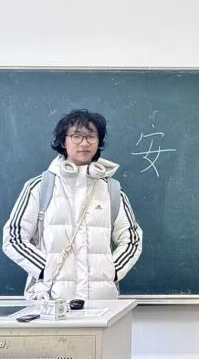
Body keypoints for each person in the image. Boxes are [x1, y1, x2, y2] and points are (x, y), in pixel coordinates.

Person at [2, 109, 142, 300]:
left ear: (99, 142)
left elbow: (132, 239)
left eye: (91, 136)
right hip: (51, 301)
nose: (84, 143)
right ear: (63, 141)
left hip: (102, 302)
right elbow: (13, 238)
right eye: (76, 136)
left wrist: (111, 271)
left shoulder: (112, 190)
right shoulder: (40, 187)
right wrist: (44, 269)